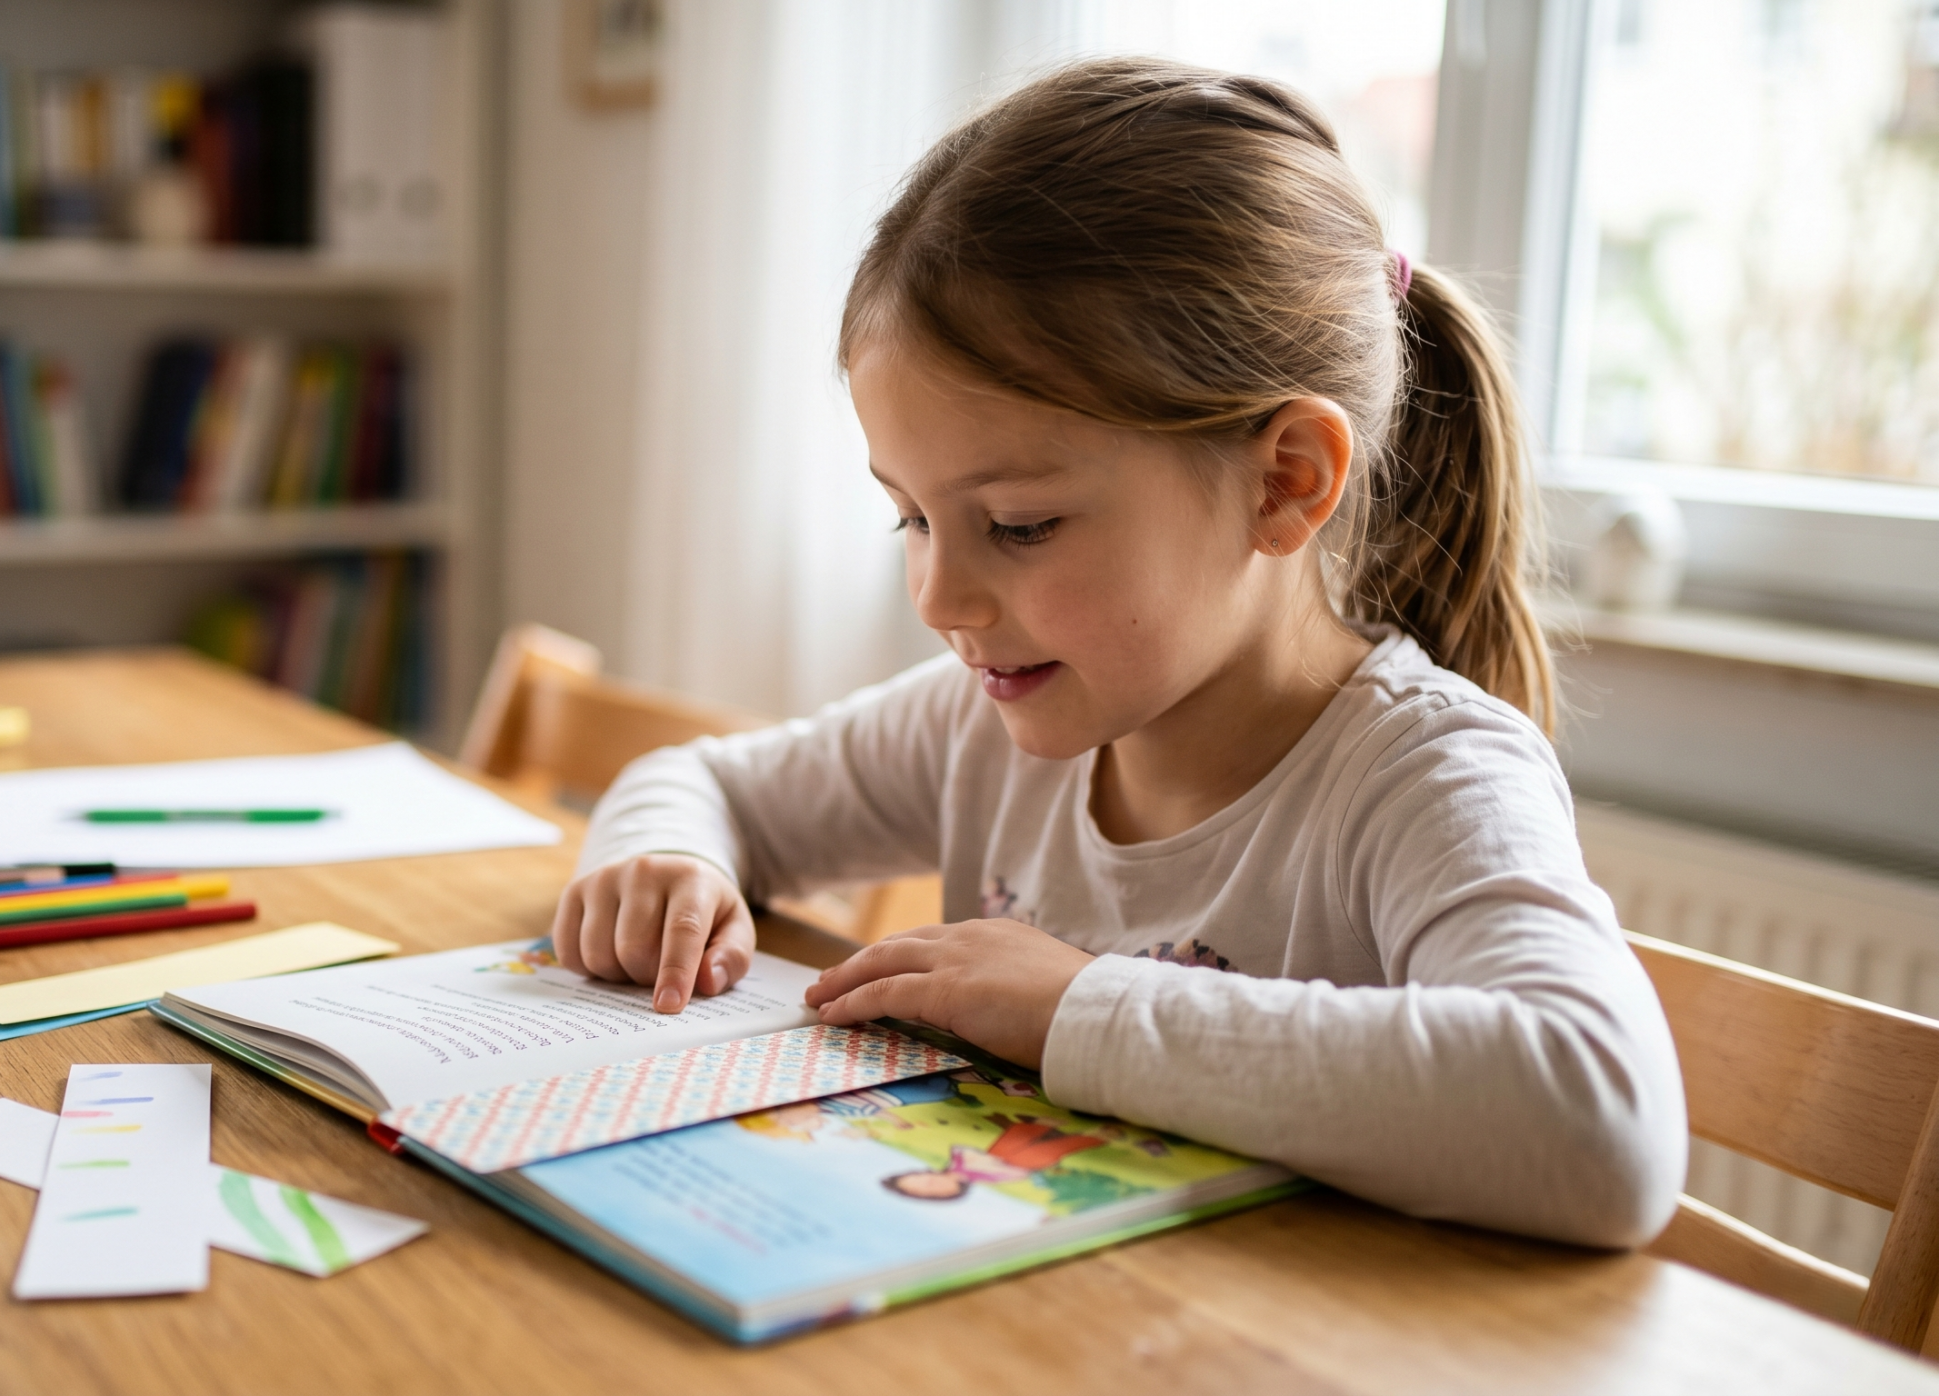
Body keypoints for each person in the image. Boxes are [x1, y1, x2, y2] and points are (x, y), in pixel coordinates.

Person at [549, 58, 1685, 1249]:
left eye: (1019, 525)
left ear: (1284, 483)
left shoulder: (1424, 777)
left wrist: (1077, 1007)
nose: (938, 597)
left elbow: (1599, 1117)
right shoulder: (976, 723)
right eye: (911, 518)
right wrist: (664, 860)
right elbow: (705, 782)